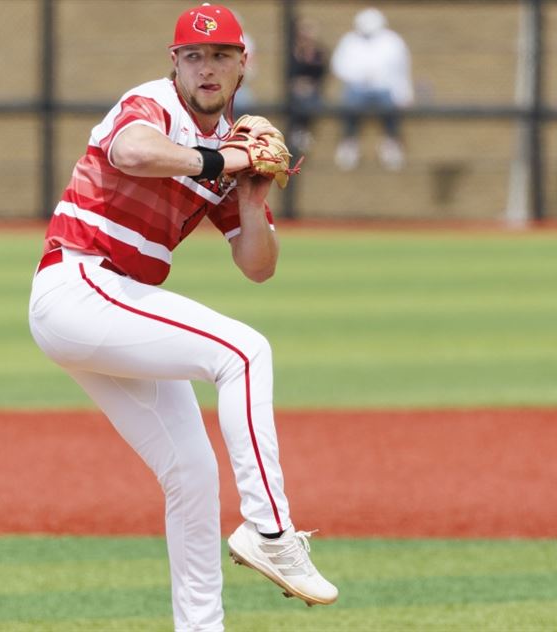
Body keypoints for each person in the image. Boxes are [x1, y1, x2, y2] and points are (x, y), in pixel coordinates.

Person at [26, 4, 337, 631]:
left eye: (221, 55)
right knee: (242, 352)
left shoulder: (230, 149)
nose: (206, 67)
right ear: (175, 64)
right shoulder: (151, 105)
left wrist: (253, 197)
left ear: (242, 65)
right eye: (193, 56)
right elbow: (136, 153)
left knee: (192, 474)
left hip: (114, 305)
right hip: (80, 284)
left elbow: (257, 266)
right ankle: (272, 531)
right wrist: (225, 164)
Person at [330, 7, 413, 171]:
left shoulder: (392, 41)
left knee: (390, 111)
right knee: (350, 107)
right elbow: (338, 65)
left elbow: (401, 68)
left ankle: (391, 144)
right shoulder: (350, 41)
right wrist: (358, 75)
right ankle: (349, 143)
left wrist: (404, 93)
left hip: (384, 88)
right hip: (357, 88)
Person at [287, 16, 328, 154]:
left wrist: (310, 84)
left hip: (312, 88)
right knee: (297, 96)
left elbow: (321, 74)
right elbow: (288, 72)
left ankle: (302, 131)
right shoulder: (291, 51)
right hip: (294, 87)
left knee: (308, 97)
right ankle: (296, 131)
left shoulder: (319, 53)